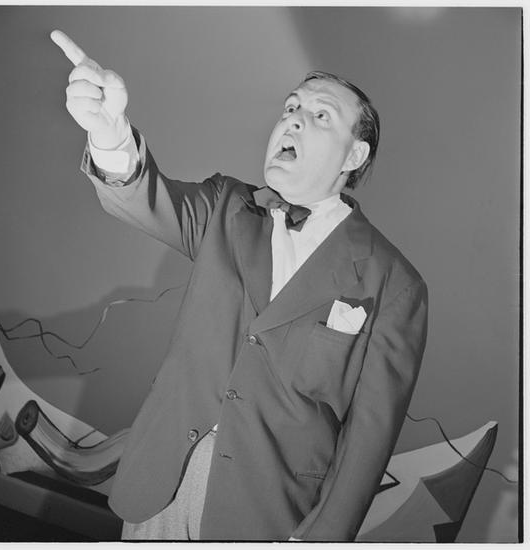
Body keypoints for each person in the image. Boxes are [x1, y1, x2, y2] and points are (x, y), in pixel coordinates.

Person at [51, 30, 428, 541]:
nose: (294, 118)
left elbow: (368, 440)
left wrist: (321, 539)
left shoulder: (395, 284)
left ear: (353, 156)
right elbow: (146, 196)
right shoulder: (226, 206)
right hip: (160, 483)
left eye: (320, 115)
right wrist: (110, 133)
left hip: (266, 513)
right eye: (291, 107)